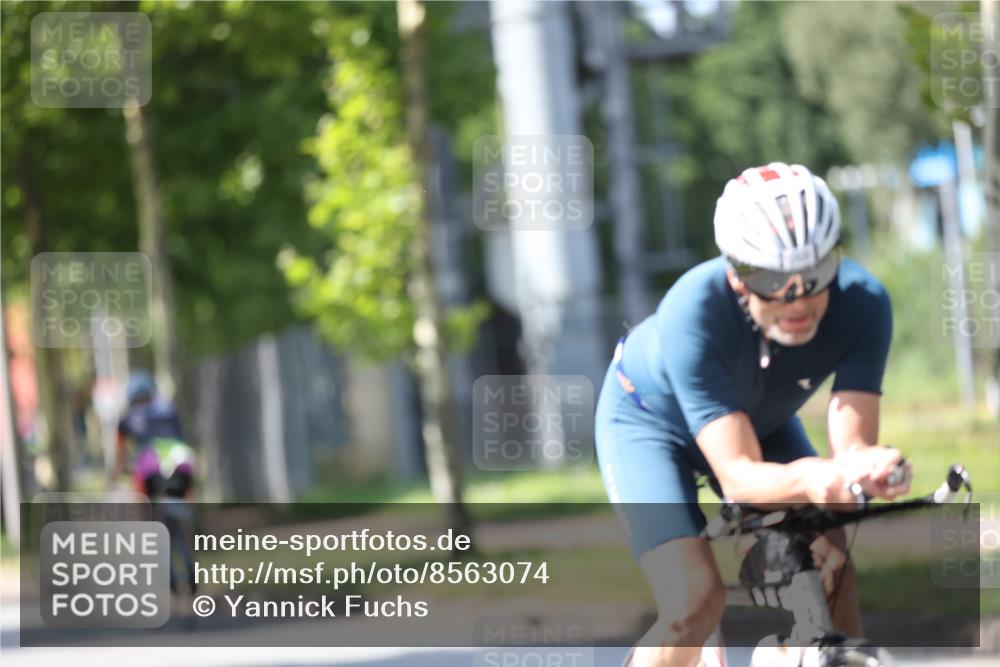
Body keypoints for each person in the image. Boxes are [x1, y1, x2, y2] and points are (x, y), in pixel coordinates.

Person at [594, 163, 912, 667]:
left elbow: (851, 449)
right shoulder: (694, 310)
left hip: (752, 419)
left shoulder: (863, 304)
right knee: (693, 602)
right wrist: (815, 480)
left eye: (815, 274)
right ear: (736, 274)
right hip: (648, 425)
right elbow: (739, 476)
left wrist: (867, 468)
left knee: (832, 562)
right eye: (772, 279)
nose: (798, 300)